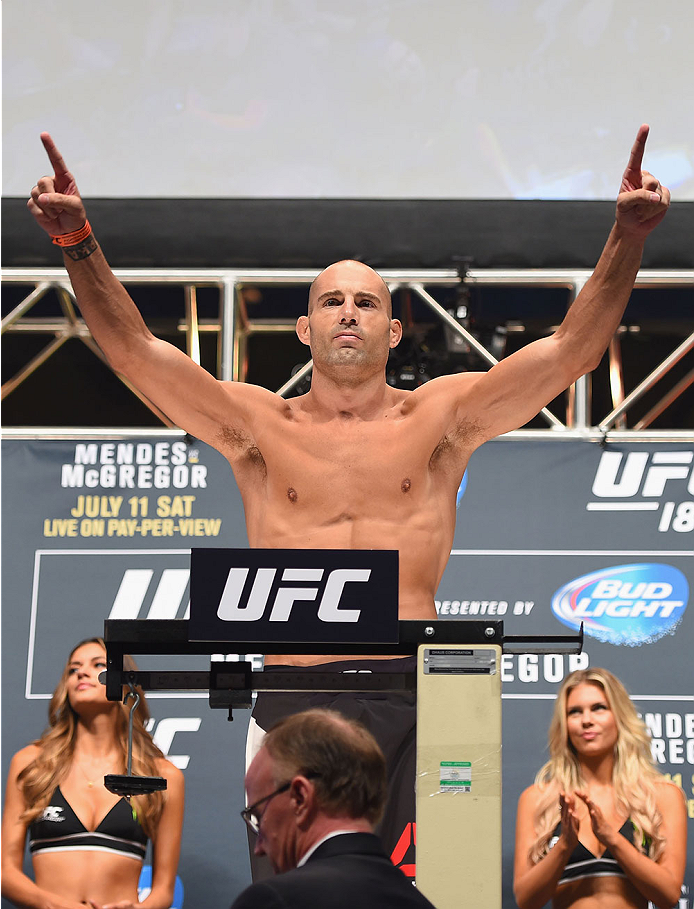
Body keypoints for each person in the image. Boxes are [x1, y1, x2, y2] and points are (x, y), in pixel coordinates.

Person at [26, 126, 670, 874]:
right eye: (331, 300)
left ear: (394, 329)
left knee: (425, 892)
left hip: (415, 688)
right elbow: (137, 352)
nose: (348, 312)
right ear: (304, 328)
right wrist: (78, 241)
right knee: (290, 892)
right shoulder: (256, 426)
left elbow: (570, 353)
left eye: (366, 302)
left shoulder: (441, 419)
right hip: (293, 693)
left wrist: (626, 238)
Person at [1, 638, 184, 909]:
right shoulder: (31, 763)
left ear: (126, 682)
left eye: (98, 665)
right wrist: (56, 905)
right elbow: (5, 873)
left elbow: (163, 891)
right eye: (73, 669)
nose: (82, 673)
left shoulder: (162, 775)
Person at [513, 667, 687, 909]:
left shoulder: (662, 795)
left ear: (619, 716)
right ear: (564, 724)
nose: (586, 720)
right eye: (574, 712)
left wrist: (612, 839)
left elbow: (668, 895)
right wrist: (564, 845)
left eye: (599, 708)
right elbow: (526, 900)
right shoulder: (539, 799)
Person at [231, 707, 438, 909]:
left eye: (259, 815)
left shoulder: (273, 900)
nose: (258, 847)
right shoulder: (418, 903)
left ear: (301, 797)